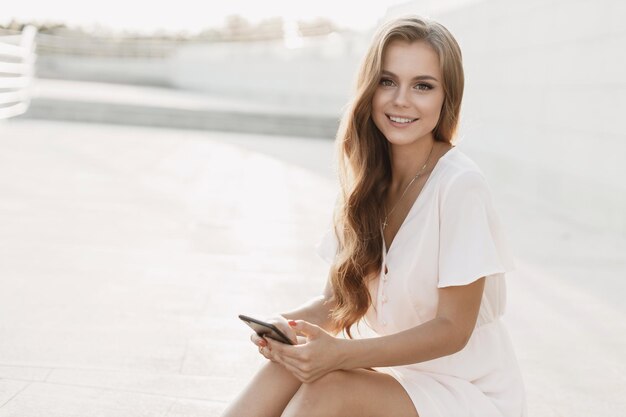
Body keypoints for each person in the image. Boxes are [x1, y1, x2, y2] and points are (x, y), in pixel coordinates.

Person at [221, 15, 526, 417]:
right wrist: (283, 327)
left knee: (327, 388)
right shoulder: (366, 182)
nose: (401, 99)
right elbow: (336, 303)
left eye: (422, 86)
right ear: (370, 89)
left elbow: (453, 329)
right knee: (291, 367)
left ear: (446, 97)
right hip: (403, 378)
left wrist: (340, 355)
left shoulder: (460, 186)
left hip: (468, 391)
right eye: (387, 81)